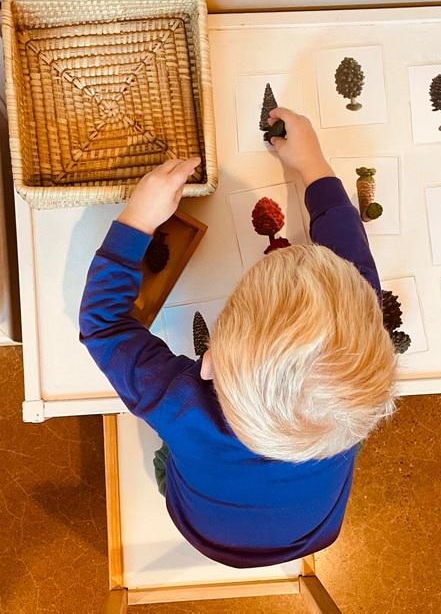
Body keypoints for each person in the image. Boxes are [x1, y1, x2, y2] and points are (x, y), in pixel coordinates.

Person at [79, 108, 397, 568]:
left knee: (171, 465)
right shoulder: (357, 352)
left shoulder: (181, 405)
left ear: (207, 365)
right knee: (334, 429)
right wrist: (313, 166)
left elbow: (103, 325)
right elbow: (352, 264)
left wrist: (137, 219)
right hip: (311, 533)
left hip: (200, 528)